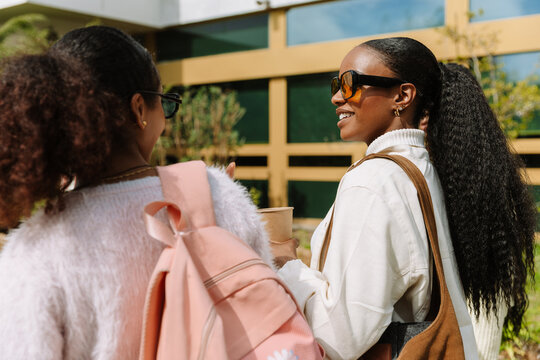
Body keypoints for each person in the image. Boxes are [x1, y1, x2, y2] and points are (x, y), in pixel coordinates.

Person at [0, 26, 275, 359]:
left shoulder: (33, 253)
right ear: (140, 109)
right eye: (164, 103)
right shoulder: (221, 195)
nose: (165, 120)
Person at [277, 37, 536, 359]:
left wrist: (287, 266)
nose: (336, 97)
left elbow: (340, 334)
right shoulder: (427, 168)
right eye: (336, 84)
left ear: (402, 95)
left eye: (350, 84)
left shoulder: (374, 181)